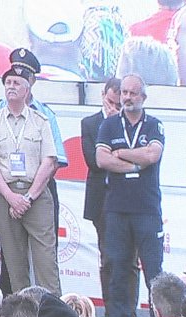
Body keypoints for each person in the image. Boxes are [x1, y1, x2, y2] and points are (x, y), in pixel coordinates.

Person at [0, 55, 61, 295]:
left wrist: (27, 198)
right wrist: (10, 197)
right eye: (8, 83)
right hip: (5, 196)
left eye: (17, 83)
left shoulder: (41, 120)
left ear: (27, 89)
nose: (11, 87)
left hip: (34, 195)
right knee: (14, 264)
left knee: (46, 262)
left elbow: (49, 162)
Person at [95, 73, 164, 317]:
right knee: (118, 269)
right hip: (117, 210)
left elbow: (152, 155)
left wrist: (122, 153)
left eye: (133, 93)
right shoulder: (109, 125)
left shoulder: (153, 124)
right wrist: (135, 165)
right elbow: (102, 160)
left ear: (143, 97)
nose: (127, 97)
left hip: (147, 209)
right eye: (124, 92)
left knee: (153, 271)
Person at [80, 77, 120, 301]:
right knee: (107, 257)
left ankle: (127, 313)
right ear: (102, 96)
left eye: (118, 105)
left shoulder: (129, 124)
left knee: (126, 259)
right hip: (101, 199)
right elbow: (94, 161)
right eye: (110, 102)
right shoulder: (90, 123)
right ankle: (110, 312)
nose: (113, 108)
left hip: (125, 197)